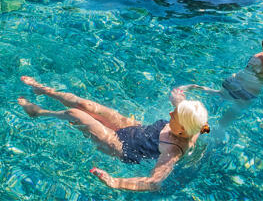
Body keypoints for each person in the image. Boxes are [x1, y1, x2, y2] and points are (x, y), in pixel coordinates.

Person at [17, 75, 209, 192]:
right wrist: (179, 98)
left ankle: (38, 112)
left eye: (174, 114)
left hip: (121, 146)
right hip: (134, 128)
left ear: (182, 129)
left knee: (76, 115)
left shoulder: (172, 151)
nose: (170, 113)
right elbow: (193, 115)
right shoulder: (195, 124)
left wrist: (115, 182)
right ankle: (43, 90)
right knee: (85, 105)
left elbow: (153, 183)